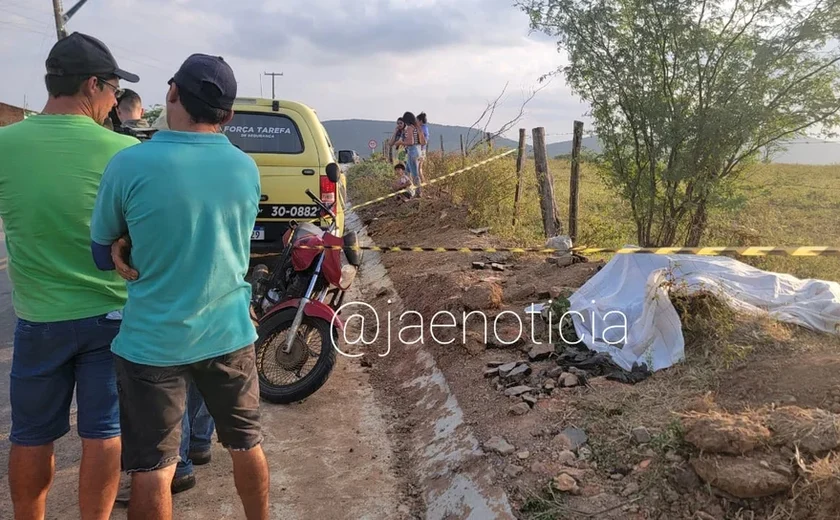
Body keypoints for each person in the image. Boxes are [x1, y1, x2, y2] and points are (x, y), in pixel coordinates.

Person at [90, 53, 269, 520]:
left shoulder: (128, 165)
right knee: (247, 446)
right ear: (227, 116)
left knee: (153, 469)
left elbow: (98, 253)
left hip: (152, 341)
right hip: (228, 333)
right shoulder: (244, 169)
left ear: (171, 93)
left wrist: (124, 242)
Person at [0, 32, 139, 520]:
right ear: (92, 85)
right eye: (113, 91)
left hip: (38, 319)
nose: (114, 102)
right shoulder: (121, 153)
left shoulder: (4, 144)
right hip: (111, 315)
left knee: (31, 434)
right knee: (103, 432)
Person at [108, 94, 217, 505]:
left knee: (173, 380)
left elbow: (105, 243)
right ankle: (200, 444)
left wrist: (122, 242)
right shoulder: (234, 166)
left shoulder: (137, 161)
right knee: (201, 366)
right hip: (213, 295)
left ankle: (182, 465)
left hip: (161, 298)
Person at [394, 111, 426, 197]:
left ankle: (418, 193)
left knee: (415, 173)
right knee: (407, 171)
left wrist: (401, 142)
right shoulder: (418, 128)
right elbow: (424, 141)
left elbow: (410, 141)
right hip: (418, 150)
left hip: (412, 151)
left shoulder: (409, 128)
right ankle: (410, 190)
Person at [417, 112, 430, 184]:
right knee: (419, 168)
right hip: (422, 150)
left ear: (420, 121)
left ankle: (422, 183)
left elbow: (423, 140)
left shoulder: (422, 128)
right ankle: (423, 182)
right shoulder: (425, 128)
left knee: (418, 169)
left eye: (417, 120)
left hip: (420, 150)